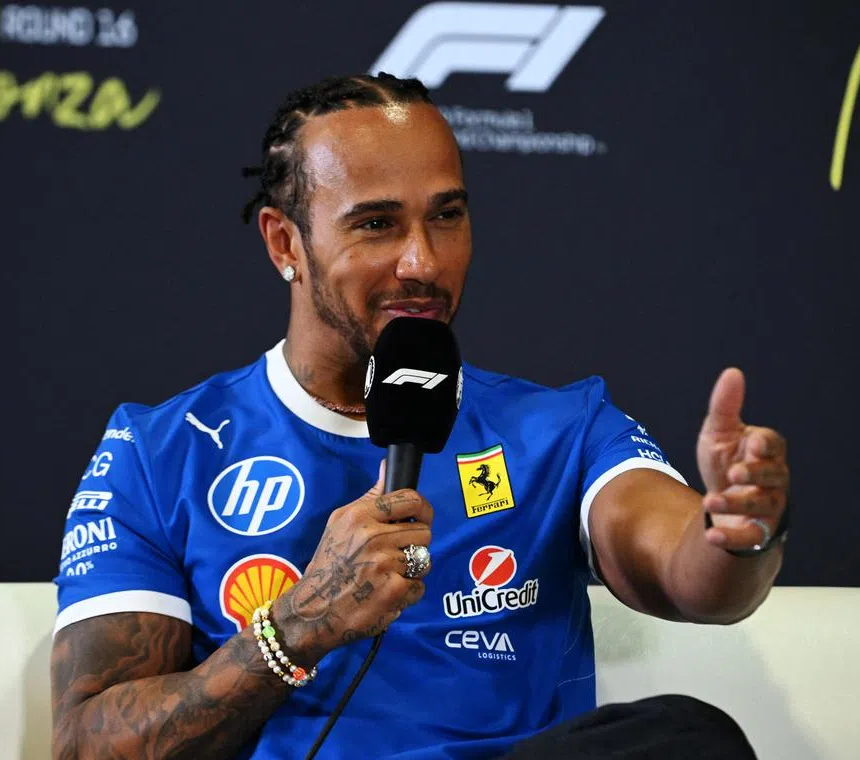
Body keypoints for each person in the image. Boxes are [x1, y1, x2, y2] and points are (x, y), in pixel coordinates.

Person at [50, 73, 790, 760]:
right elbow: (86, 744)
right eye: (376, 224)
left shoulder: (560, 428)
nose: (423, 262)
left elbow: (688, 576)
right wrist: (298, 625)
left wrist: (735, 535)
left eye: (447, 216)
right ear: (285, 242)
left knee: (688, 738)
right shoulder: (157, 451)